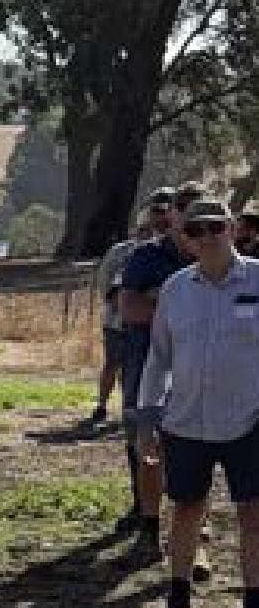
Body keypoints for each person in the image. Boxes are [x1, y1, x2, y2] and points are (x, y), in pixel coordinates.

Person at [133, 198, 259, 608]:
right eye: (196, 229)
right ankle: (178, 607)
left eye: (216, 227)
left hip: (250, 420)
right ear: (184, 236)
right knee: (185, 510)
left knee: (254, 516)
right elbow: (159, 356)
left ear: (232, 229)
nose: (207, 237)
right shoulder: (175, 289)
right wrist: (148, 416)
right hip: (185, 420)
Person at [116, 184, 202, 552]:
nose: (193, 219)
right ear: (174, 214)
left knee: (197, 450)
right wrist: (187, 313)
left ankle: (194, 536)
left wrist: (158, 300)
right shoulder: (145, 256)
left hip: (200, 369)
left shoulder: (221, 258)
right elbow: (130, 310)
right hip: (148, 363)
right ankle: (148, 525)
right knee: (146, 442)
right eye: (185, 209)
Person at [92, 196, 167, 428]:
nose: (153, 231)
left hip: (149, 324)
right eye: (148, 226)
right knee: (113, 363)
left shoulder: (165, 255)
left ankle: (133, 410)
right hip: (116, 322)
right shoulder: (121, 252)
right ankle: (103, 405)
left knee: (139, 368)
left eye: (159, 226)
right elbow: (107, 284)